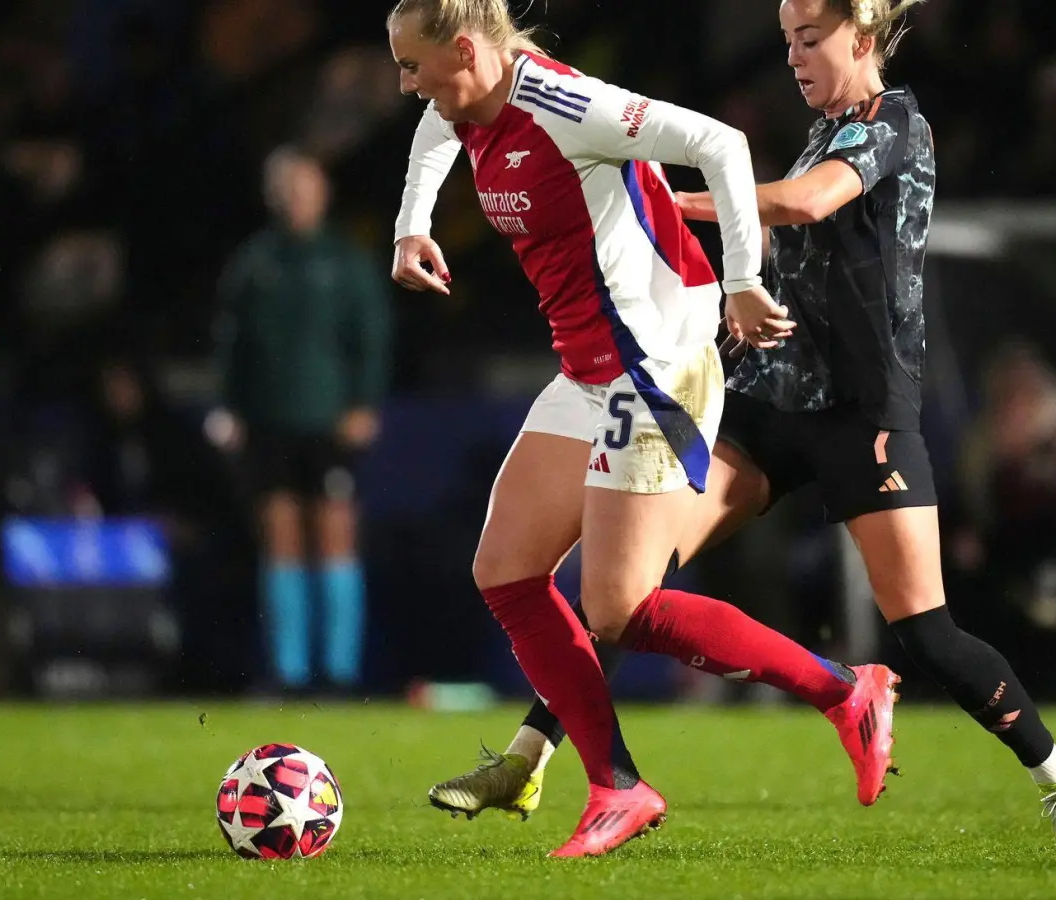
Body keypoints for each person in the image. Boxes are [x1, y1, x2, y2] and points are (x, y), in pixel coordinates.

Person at [426, 0, 1056, 853]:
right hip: (770, 400)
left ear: (862, 39)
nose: (793, 57)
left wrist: (665, 200)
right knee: (632, 585)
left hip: (866, 416)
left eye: (809, 39)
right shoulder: (822, 127)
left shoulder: (895, 124)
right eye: (786, 40)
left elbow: (805, 204)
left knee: (925, 632)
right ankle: (533, 758)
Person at [385, 0, 901, 858]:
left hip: (655, 366)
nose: (406, 85)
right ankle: (617, 786)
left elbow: (721, 146)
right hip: (589, 371)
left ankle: (845, 692)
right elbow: (438, 134)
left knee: (620, 607)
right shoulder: (466, 103)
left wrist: (741, 277)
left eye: (411, 66)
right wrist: (412, 226)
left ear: (467, 51)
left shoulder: (566, 107)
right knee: (507, 573)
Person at [210, 147, 393, 695]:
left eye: (304, 185)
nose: (295, 197)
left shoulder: (346, 263)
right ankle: (288, 673)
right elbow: (231, 343)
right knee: (281, 540)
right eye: (285, 187)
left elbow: (372, 338)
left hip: (330, 423)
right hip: (268, 423)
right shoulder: (253, 262)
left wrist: (364, 402)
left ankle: (339, 673)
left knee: (335, 536)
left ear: (323, 191)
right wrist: (231, 407)